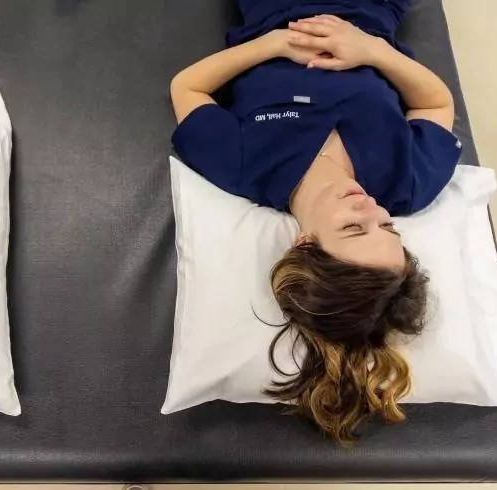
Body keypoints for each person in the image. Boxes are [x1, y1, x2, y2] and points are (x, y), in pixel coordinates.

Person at [169, 0, 462, 444]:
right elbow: (436, 104)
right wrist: (372, 50)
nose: (371, 209)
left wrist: (275, 43)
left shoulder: (246, 167)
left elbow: (187, 88)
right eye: (388, 228)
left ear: (304, 243)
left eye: (353, 228)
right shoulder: (407, 185)